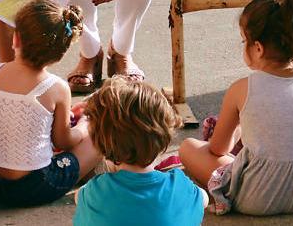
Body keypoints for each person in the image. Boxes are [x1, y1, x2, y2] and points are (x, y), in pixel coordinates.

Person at [179, 0, 293, 216]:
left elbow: (218, 148)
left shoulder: (242, 89)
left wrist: (239, 128)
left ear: (258, 48)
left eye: (244, 42)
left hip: (256, 198)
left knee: (188, 148)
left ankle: (247, 166)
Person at [0, 0, 100, 207]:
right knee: (99, 140)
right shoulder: (56, 87)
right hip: (32, 186)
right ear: (60, 53)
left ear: (15, 39)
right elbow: (64, 142)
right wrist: (84, 125)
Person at [74, 79, 206, 226]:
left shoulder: (93, 192)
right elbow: (203, 198)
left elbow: (79, 196)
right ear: (165, 134)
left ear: (100, 141)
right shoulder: (182, 188)